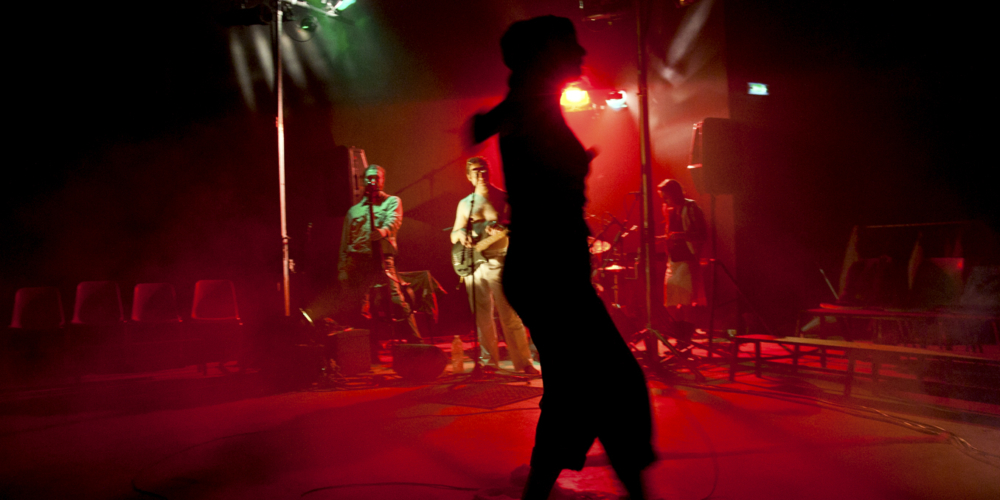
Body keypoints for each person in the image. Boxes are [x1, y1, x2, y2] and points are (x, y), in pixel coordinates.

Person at [470, 16, 654, 500]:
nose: (582, 53)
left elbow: (509, 133)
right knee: (611, 381)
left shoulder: (534, 105)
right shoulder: (531, 106)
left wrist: (570, 168)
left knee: (577, 387)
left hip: (546, 266)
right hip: (547, 268)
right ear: (545, 57)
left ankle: (543, 490)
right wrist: (569, 172)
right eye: (570, 45)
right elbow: (534, 170)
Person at [450, 156, 538, 374]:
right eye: (475, 171)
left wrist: (502, 228)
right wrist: (461, 235)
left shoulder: (504, 197)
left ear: (489, 171)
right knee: (482, 316)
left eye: (483, 169)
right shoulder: (465, 203)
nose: (480, 174)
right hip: (473, 262)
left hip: (499, 258)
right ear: (469, 176)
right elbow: (453, 234)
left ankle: (524, 362)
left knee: (509, 313)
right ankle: (489, 362)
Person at [338, 165, 421, 358]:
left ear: (383, 180)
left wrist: (383, 231)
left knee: (396, 300)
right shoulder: (353, 211)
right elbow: (345, 242)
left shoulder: (392, 201)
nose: (373, 181)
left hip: (383, 259)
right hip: (358, 261)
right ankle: (369, 350)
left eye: (377, 177)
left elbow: (394, 221)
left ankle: (416, 343)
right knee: (361, 307)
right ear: (363, 181)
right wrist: (342, 268)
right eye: (369, 178)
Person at [657, 179, 707, 316]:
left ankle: (687, 326)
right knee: (670, 301)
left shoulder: (691, 207)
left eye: (666, 197)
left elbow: (702, 234)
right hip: (673, 261)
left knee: (686, 301)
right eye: (663, 198)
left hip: (687, 259)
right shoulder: (669, 210)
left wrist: (681, 235)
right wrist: (661, 239)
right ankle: (677, 327)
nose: (664, 201)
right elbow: (671, 234)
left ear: (675, 194)